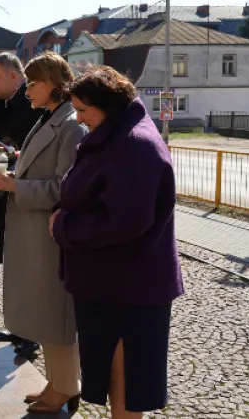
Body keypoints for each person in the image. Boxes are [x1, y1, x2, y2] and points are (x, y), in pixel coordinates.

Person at [51, 66, 184, 419]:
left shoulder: (133, 144)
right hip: (112, 283)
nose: (78, 119)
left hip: (128, 288)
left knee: (126, 378)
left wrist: (65, 225)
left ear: (106, 104)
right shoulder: (116, 134)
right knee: (115, 374)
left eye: (82, 109)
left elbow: (124, 221)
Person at [0, 53, 86, 413]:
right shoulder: (50, 119)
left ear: (53, 84)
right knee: (45, 312)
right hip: (34, 233)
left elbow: (64, 188)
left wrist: (16, 187)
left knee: (55, 313)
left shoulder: (71, 125)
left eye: (33, 83)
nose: (28, 90)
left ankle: (66, 386)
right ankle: (58, 382)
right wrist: (12, 178)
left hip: (49, 236)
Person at [0, 52, 45, 351]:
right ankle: (19, 326)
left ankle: (32, 333)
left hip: (24, 194)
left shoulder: (32, 106)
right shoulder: (1, 106)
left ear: (14, 75)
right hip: (3, 194)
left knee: (29, 266)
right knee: (12, 263)